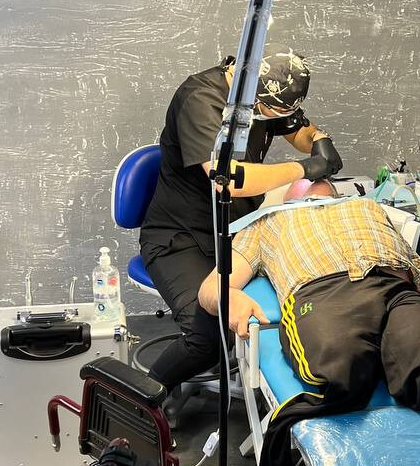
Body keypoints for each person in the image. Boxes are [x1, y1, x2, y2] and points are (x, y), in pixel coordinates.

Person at [197, 179, 420, 466]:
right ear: (288, 197)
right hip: (323, 293)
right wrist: (229, 299)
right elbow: (210, 287)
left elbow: (410, 259)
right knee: (340, 365)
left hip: (395, 287)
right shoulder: (267, 222)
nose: (314, 188)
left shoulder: (367, 207)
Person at [140, 51, 342, 389]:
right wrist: (304, 168)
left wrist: (320, 141)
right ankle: (144, 397)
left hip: (240, 231)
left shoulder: (266, 90)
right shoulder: (200, 100)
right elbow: (229, 180)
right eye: (270, 111)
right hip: (183, 238)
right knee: (207, 336)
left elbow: (298, 129)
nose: (273, 118)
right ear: (254, 95)